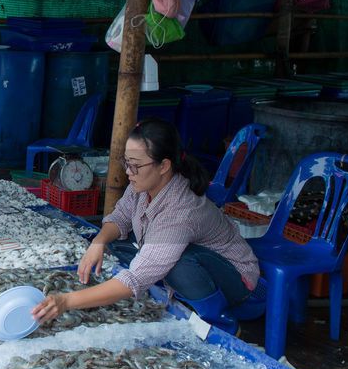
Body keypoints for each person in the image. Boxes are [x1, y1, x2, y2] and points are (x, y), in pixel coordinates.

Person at [31, 118, 260, 325]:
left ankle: (219, 321)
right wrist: (97, 244)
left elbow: (135, 279)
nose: (129, 172)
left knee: (176, 264)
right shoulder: (143, 183)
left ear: (164, 166)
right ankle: (173, 287)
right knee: (117, 242)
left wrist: (66, 301)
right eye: (126, 162)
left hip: (235, 280)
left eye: (136, 165)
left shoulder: (181, 211)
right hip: (189, 256)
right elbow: (120, 217)